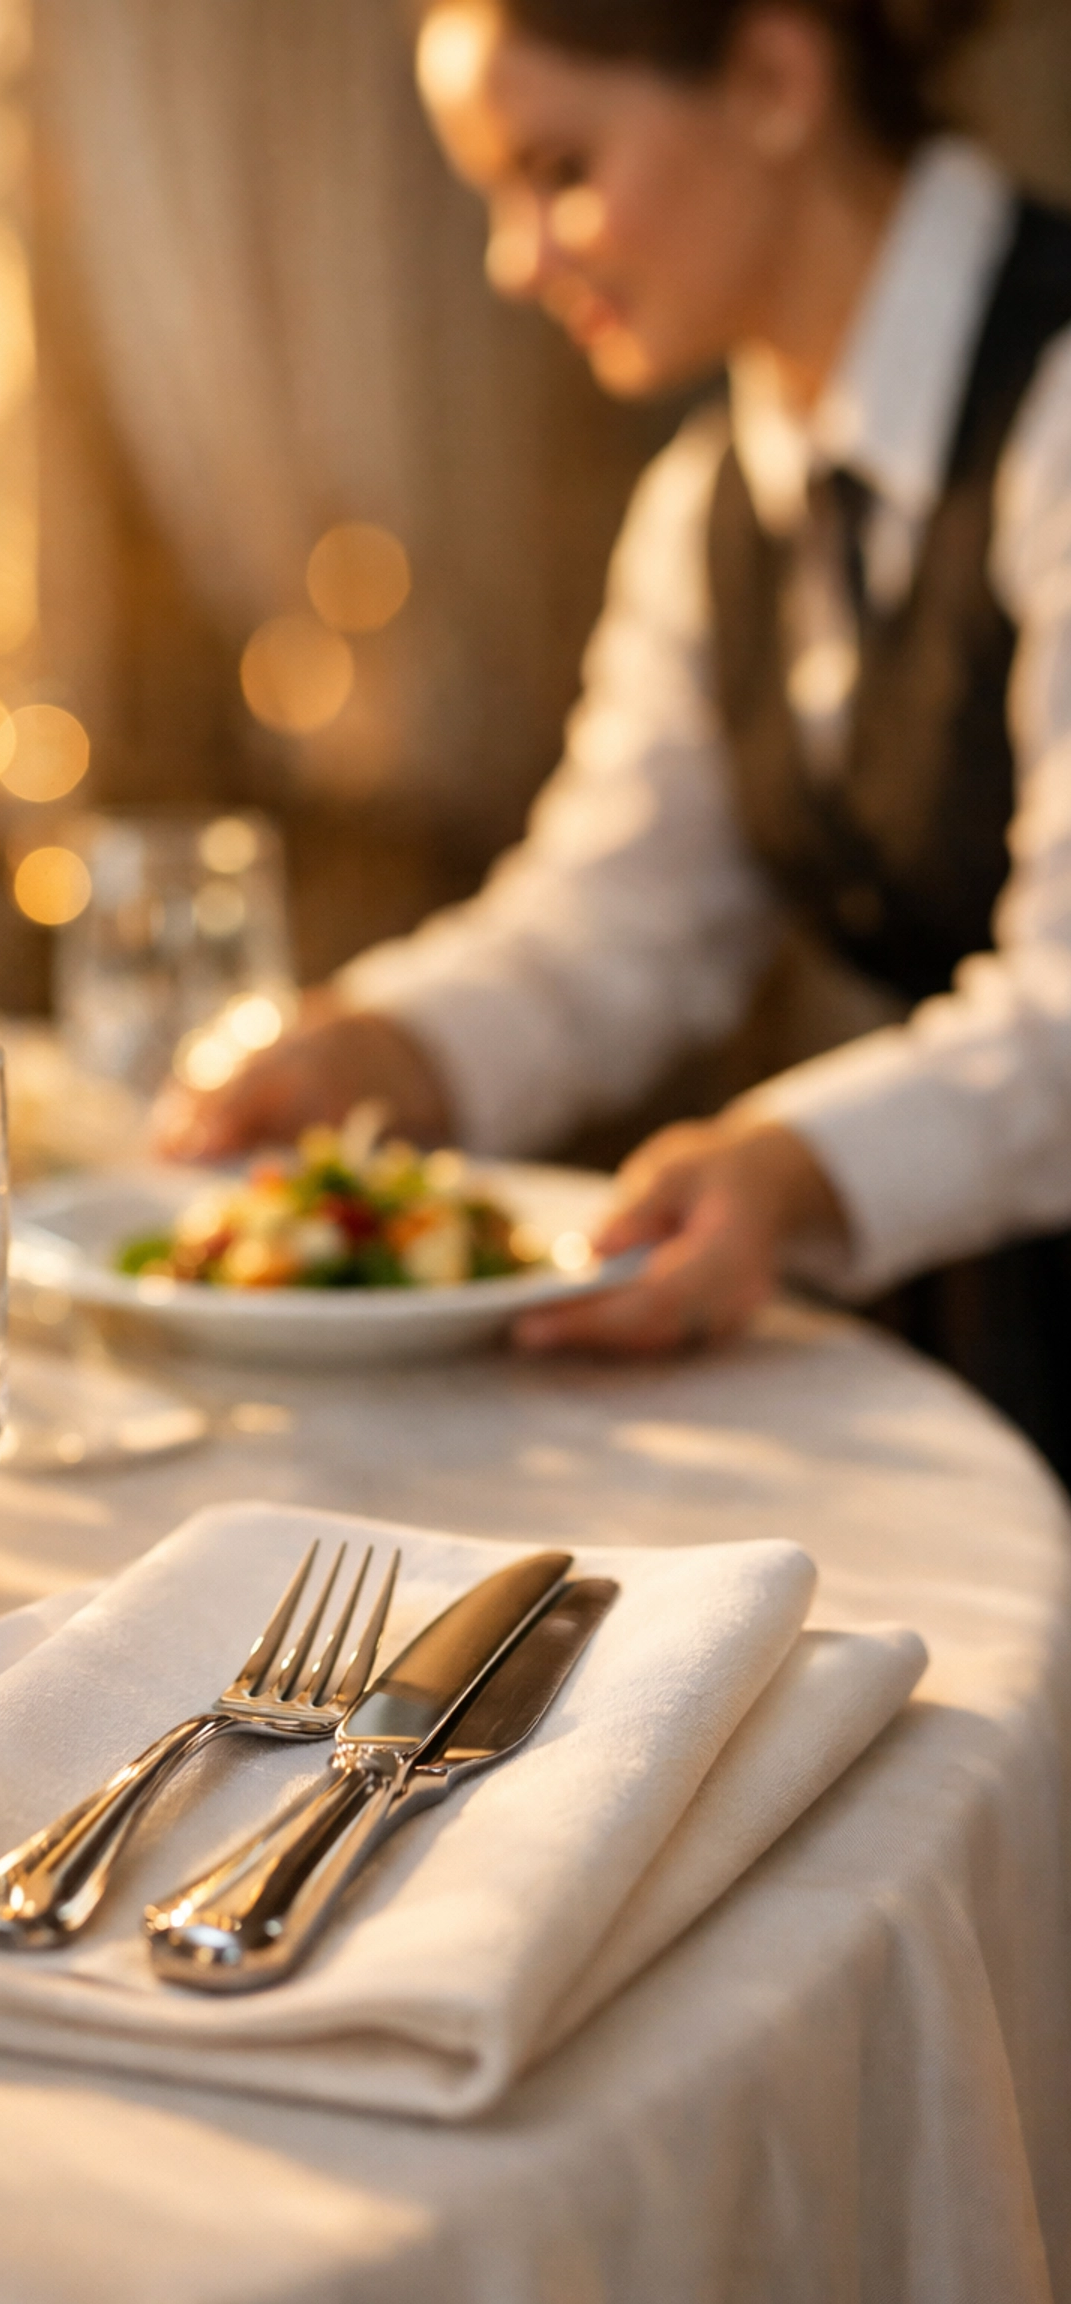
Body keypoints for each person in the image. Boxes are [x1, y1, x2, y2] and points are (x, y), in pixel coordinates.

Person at [157, 0, 1071, 1479]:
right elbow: (617, 926)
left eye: (560, 169)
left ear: (776, 76)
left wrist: (788, 1165)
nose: (518, 261)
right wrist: (379, 1044)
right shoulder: (712, 507)